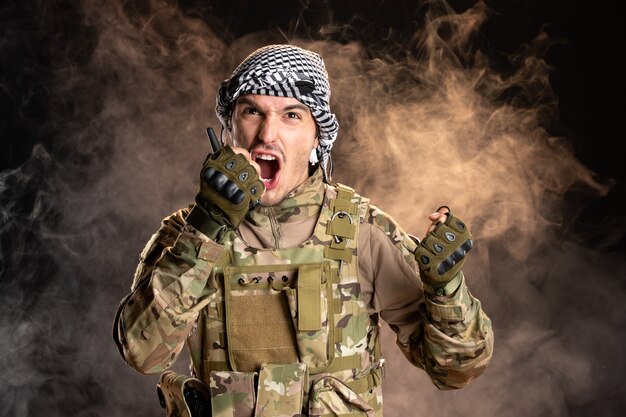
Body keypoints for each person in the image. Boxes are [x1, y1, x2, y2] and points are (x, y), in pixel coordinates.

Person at [113, 44, 494, 417]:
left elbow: (456, 370)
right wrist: (209, 227)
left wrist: (446, 291)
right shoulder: (189, 232)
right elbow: (142, 354)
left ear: (317, 138)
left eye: (291, 115)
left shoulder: (361, 232)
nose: (267, 134)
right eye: (251, 112)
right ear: (229, 128)